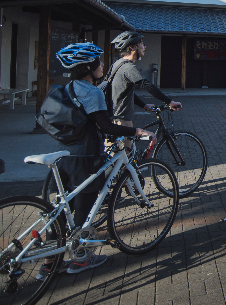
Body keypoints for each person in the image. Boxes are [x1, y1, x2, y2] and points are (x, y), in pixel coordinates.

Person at [40, 43, 156, 277]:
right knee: (84, 210)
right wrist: (137, 132)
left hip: (64, 156)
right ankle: (81, 259)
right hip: (86, 158)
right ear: (88, 68)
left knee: (61, 211)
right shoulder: (91, 92)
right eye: (99, 63)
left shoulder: (70, 87)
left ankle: (49, 263)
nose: (102, 66)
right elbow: (104, 125)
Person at [107, 31, 182, 144]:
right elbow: (147, 85)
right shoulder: (129, 67)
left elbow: (127, 92)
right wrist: (169, 102)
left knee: (124, 158)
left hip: (115, 120)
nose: (144, 46)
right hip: (121, 122)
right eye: (141, 43)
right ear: (132, 47)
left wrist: (144, 105)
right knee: (123, 159)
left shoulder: (118, 64)